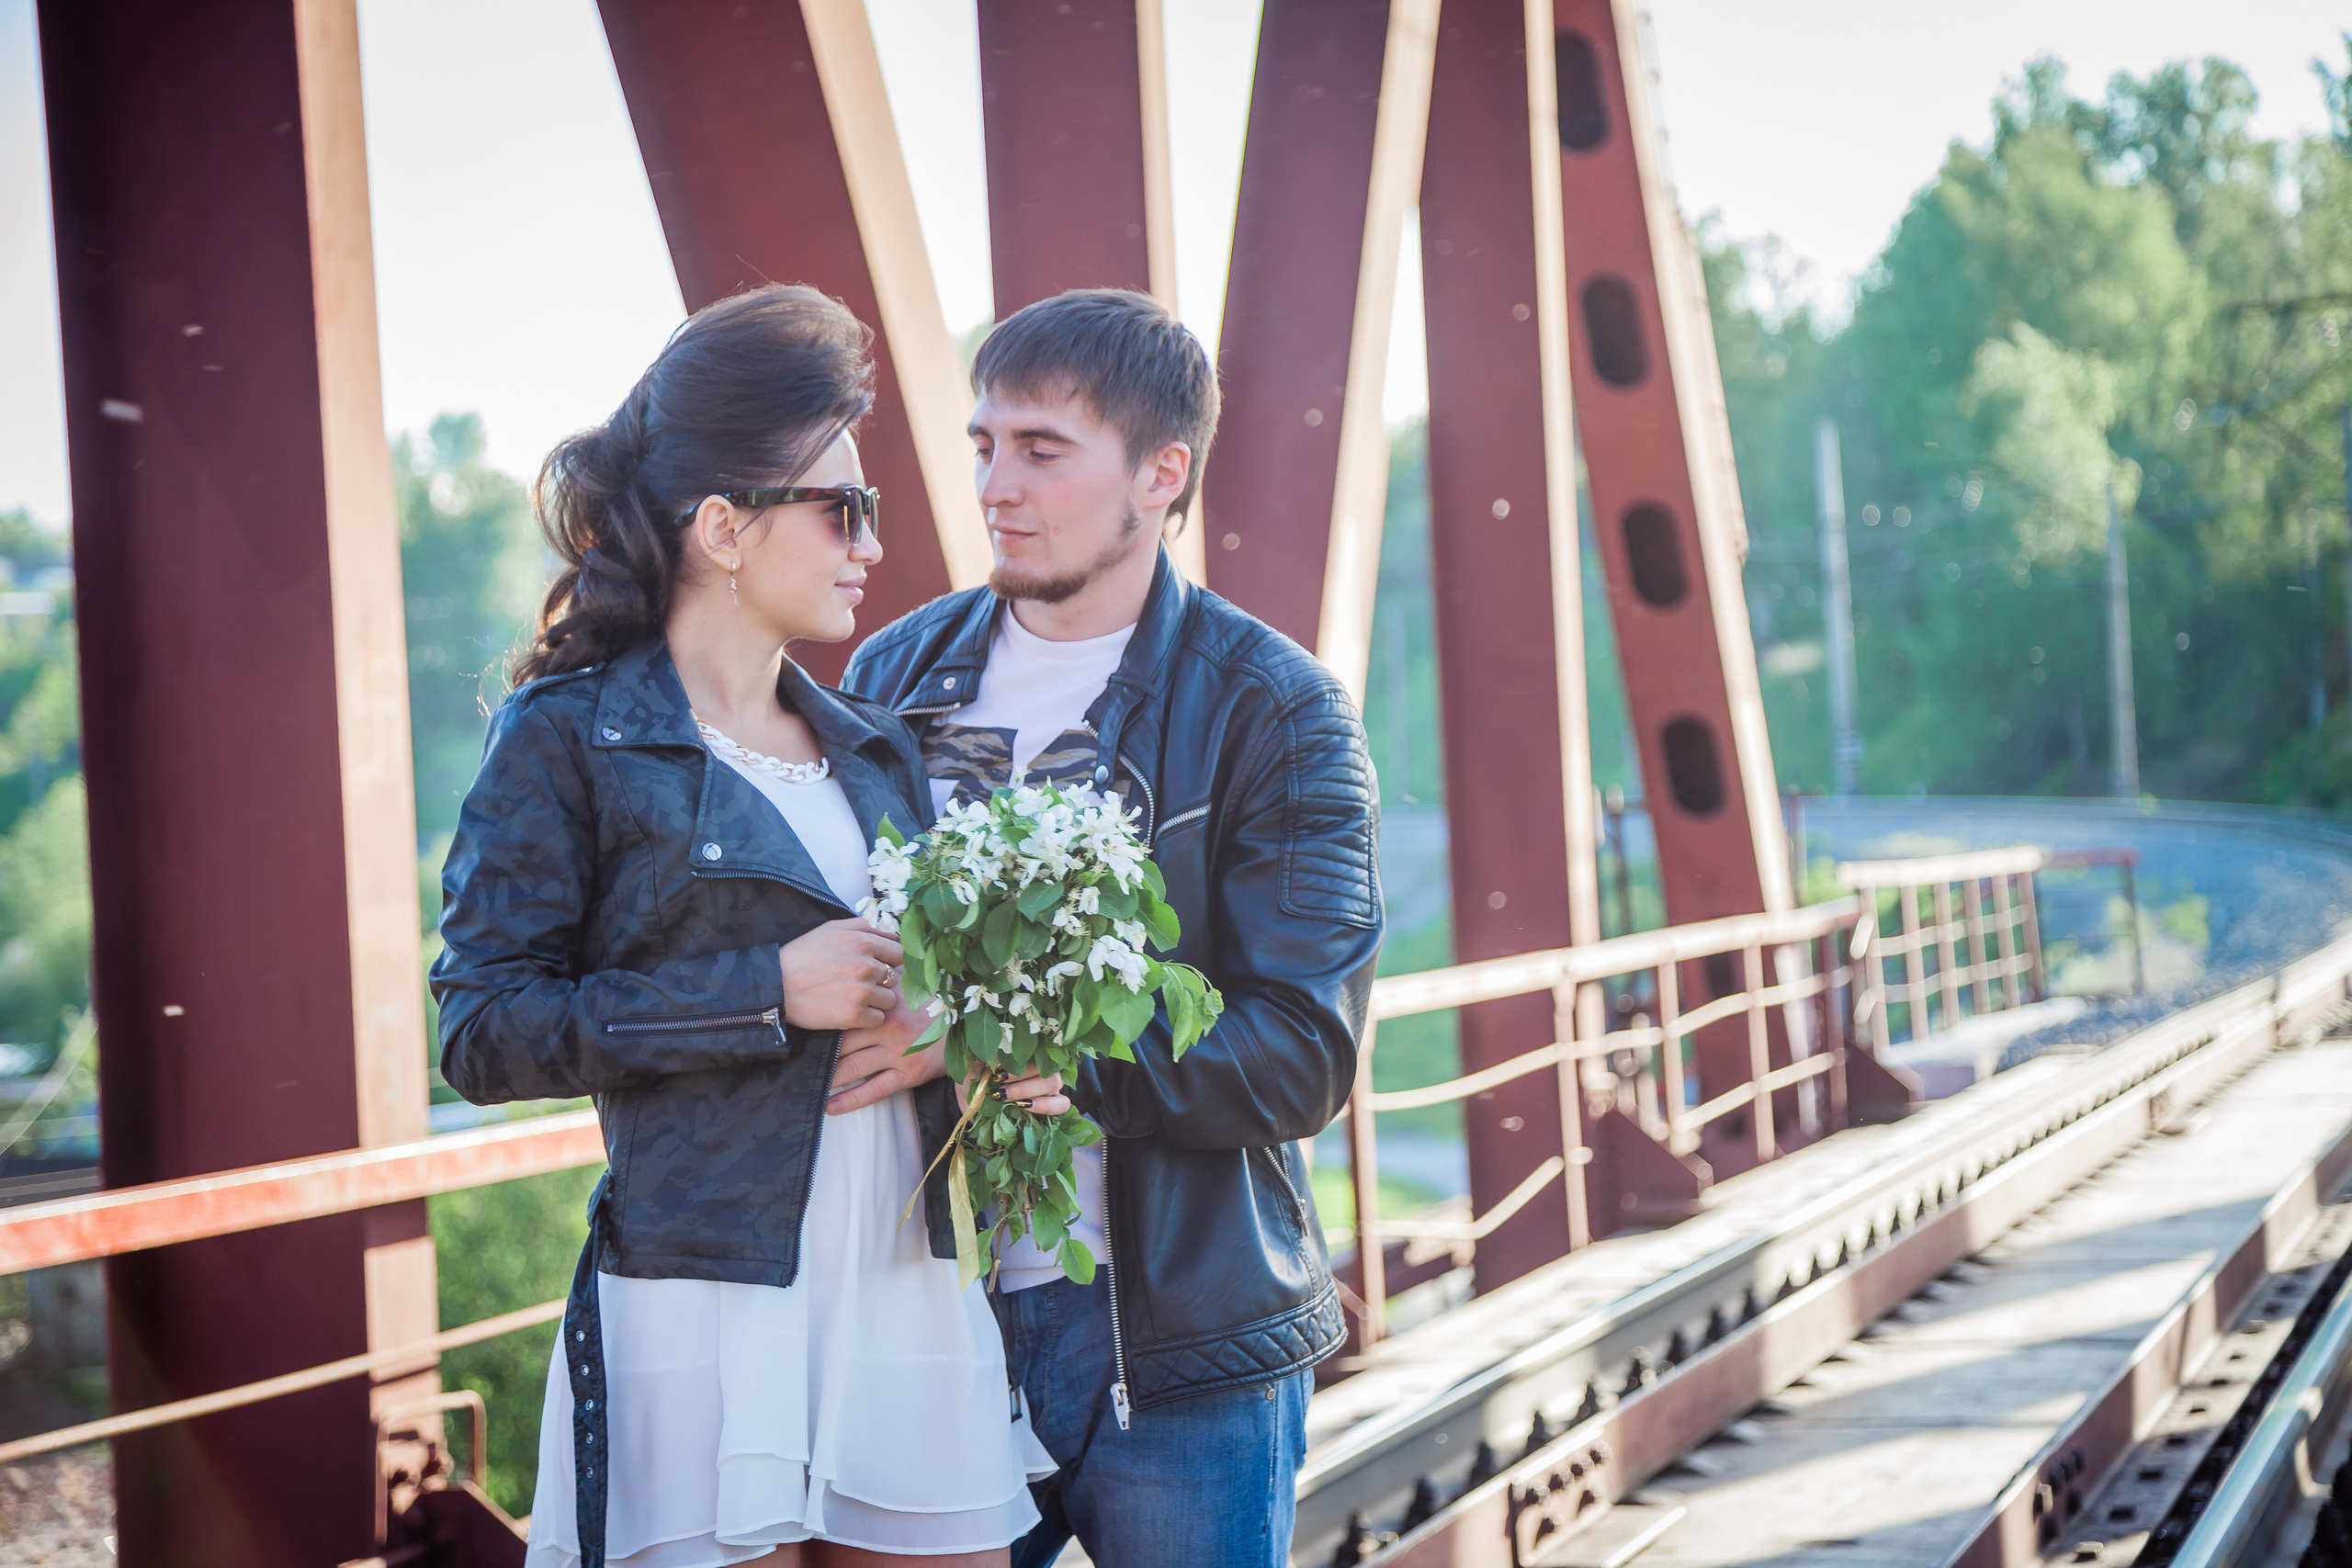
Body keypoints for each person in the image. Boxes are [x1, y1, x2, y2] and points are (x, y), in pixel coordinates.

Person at [433, 283, 1063, 1568]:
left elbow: (909, 994)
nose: (870, 546)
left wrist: (958, 1029)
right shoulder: (568, 736)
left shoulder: (874, 751)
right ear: (724, 527)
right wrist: (763, 989)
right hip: (704, 1302)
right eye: (844, 509)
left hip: (905, 1287)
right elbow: (483, 1030)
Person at [843, 288, 1384, 1568]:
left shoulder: (1274, 710)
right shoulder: (887, 681)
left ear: (1161, 472)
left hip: (1176, 1344)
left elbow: (1301, 1051)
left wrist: (1003, 1047)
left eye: (1040, 449)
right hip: (926, 1317)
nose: (994, 485)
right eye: (983, 445)